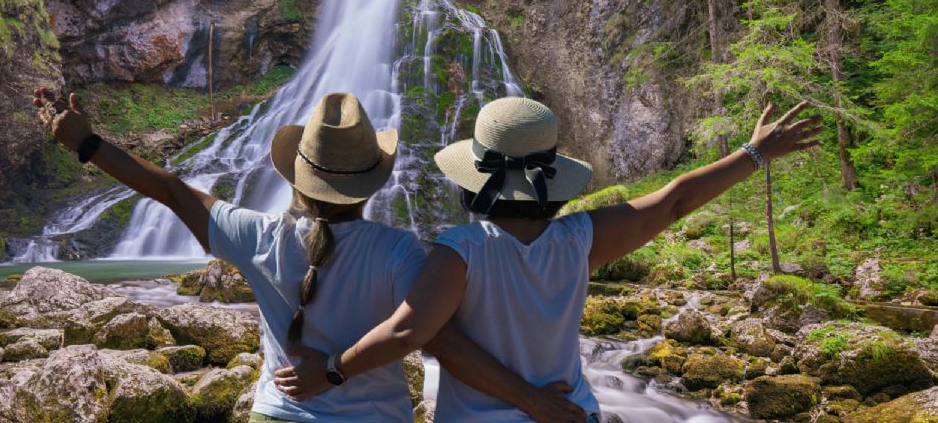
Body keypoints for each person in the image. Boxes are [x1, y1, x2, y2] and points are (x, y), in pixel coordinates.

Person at [32, 89, 587, 423]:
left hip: (278, 413)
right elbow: (429, 335)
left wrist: (87, 143)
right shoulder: (400, 251)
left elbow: (172, 190)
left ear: (296, 176)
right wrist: (530, 397)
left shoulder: (256, 235)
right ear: (372, 184)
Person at [273, 96, 823, 422]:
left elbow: (409, 334)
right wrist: (755, 153)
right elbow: (676, 199)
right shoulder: (583, 238)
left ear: (474, 177)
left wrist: (332, 372)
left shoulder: (459, 251)